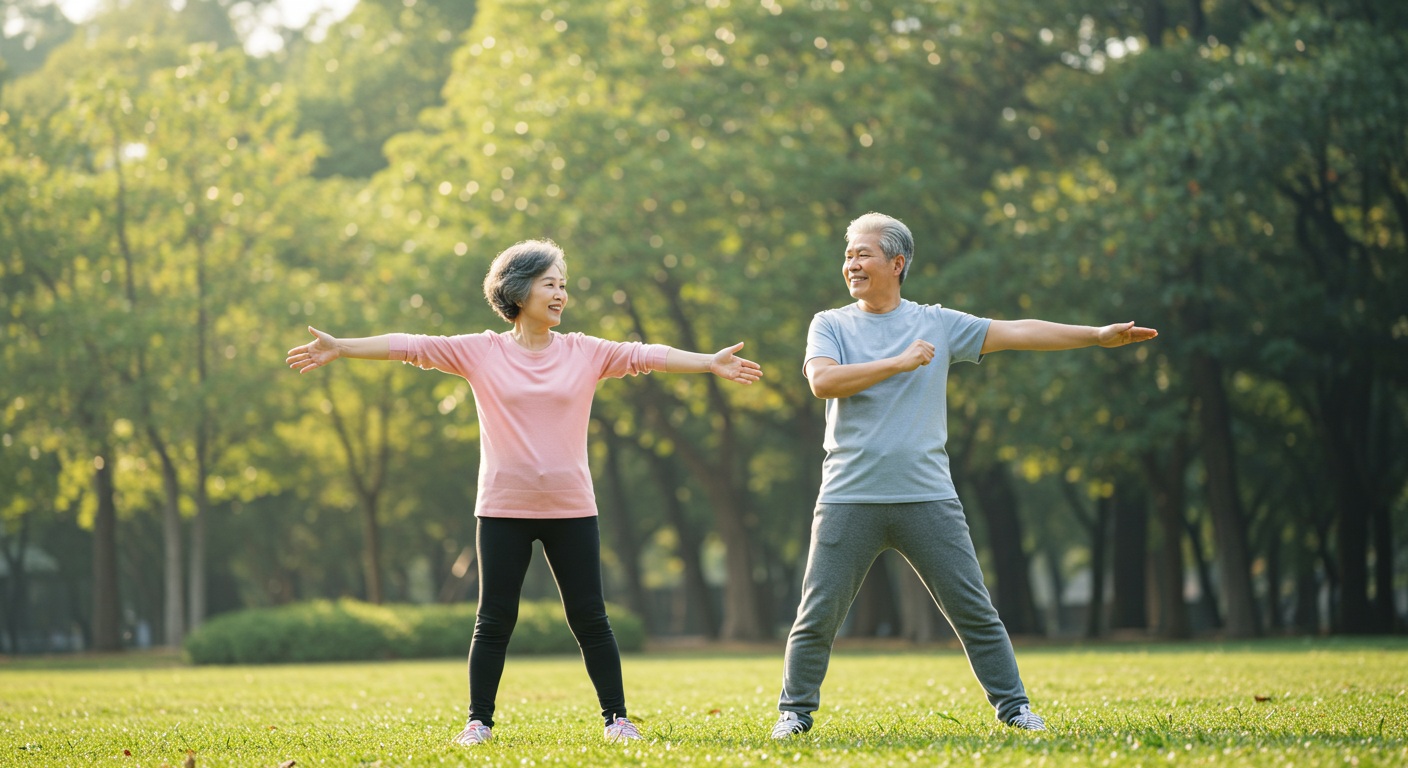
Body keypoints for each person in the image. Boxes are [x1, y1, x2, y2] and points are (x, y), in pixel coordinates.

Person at [286, 239, 762, 746]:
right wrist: (343, 346)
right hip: (502, 508)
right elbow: (411, 344)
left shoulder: (585, 351)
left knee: (590, 618)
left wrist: (708, 362)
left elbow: (646, 355)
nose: (560, 294)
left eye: (564, 285)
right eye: (549, 283)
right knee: (493, 620)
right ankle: (478, 723)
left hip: (572, 507)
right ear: (518, 289)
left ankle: (617, 720)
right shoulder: (480, 351)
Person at [770, 212, 1157, 739]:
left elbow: (1018, 331)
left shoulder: (936, 322)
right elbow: (823, 381)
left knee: (975, 611)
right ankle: (794, 715)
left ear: (897, 262)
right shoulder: (831, 323)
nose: (851, 264)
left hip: (928, 497)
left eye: (862, 254)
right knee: (816, 615)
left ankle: (1015, 708)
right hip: (849, 496)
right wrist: (898, 363)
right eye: (848, 256)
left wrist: (1095, 334)